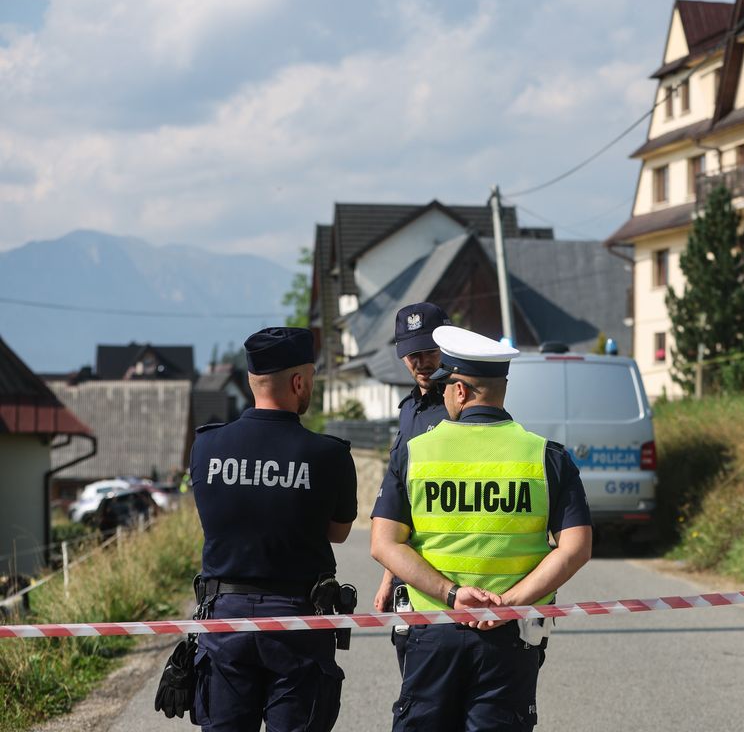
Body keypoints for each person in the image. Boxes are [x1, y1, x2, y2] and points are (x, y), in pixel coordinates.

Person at [371, 326, 592, 731]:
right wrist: (508, 602)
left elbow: (384, 544)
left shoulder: (414, 452)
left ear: (459, 391)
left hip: (432, 629)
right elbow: (575, 548)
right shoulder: (547, 456)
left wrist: (451, 595)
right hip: (510, 635)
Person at [188, 327, 357, 732]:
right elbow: (338, 532)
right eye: (311, 380)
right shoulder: (329, 455)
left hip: (223, 620)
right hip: (298, 623)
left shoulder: (206, 447)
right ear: (298, 381)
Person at [371, 302, 451, 672]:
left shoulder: (461, 404)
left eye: (429, 352)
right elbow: (400, 501)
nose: (421, 363)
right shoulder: (408, 410)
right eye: (411, 354)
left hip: (452, 566)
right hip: (411, 573)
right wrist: (390, 575)